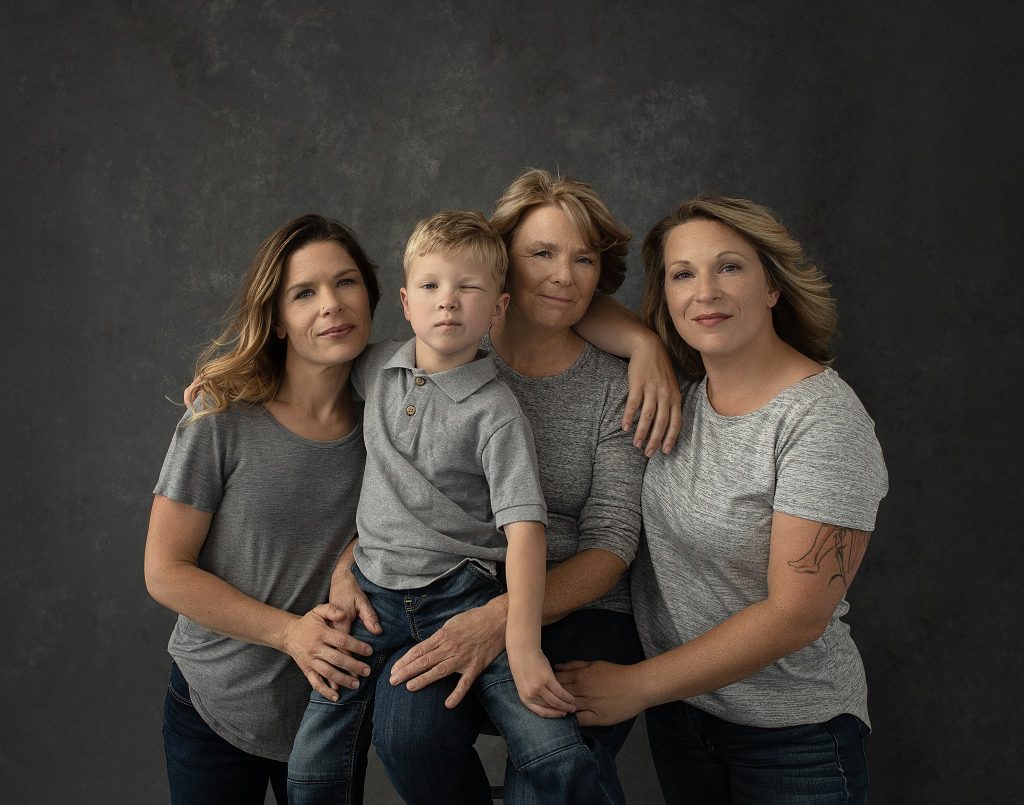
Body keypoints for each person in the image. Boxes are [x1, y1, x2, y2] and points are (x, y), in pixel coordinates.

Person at [556, 196, 889, 804]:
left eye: (729, 267)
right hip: (685, 721)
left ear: (772, 288)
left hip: (795, 736)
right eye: (683, 274)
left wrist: (636, 686)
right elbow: (563, 300)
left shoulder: (822, 421)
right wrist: (645, 346)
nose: (704, 292)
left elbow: (797, 614)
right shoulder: (680, 402)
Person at [286, 210, 622, 805]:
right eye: (432, 287)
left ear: (497, 310)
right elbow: (300, 367)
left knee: (551, 748)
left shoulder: (496, 413)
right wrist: (224, 380)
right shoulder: (377, 366)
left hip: (462, 595)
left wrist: (520, 641)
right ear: (406, 302)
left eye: (468, 288)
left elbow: (525, 529)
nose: (448, 302)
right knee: (313, 767)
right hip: (375, 600)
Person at [372, 170, 667, 802]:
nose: (565, 275)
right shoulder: (445, 352)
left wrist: (504, 618)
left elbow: (612, 545)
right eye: (542, 254)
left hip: (587, 609)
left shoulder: (617, 387)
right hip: (453, 592)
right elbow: (387, 476)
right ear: (502, 266)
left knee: (550, 772)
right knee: (407, 740)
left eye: (583, 258)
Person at [145, 215, 383, 804]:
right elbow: (164, 571)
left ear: (373, 297)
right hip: (216, 703)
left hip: (328, 708)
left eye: (346, 282)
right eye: (304, 293)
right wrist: (288, 633)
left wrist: (642, 345)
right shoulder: (221, 419)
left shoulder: (394, 419)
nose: (331, 304)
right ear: (276, 319)